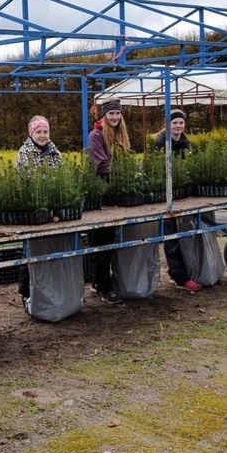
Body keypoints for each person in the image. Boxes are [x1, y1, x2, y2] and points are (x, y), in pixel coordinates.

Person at [152, 109, 202, 292]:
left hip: (185, 195)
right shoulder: (159, 144)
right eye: (175, 123)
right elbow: (154, 168)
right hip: (165, 196)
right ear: (168, 124)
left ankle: (187, 271)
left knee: (187, 233)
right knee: (171, 235)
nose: (178, 126)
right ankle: (179, 276)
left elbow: (194, 165)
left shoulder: (187, 144)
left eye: (181, 122)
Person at [15, 115, 63, 305]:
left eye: (45, 131)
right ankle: (26, 292)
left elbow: (62, 173)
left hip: (53, 207)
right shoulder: (25, 153)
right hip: (33, 207)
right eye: (39, 132)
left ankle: (49, 289)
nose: (43, 136)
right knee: (31, 249)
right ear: (31, 133)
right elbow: (29, 181)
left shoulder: (54, 151)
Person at [86, 100, 131, 303]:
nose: (114, 117)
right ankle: (104, 287)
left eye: (117, 113)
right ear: (104, 116)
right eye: (111, 113)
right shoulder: (96, 136)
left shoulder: (120, 135)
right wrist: (124, 174)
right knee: (102, 241)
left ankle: (98, 282)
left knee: (110, 240)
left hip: (116, 194)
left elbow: (125, 159)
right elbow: (101, 165)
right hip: (101, 194)